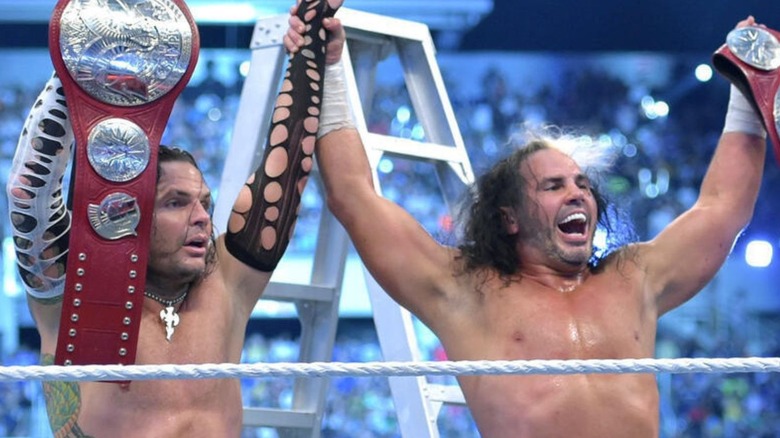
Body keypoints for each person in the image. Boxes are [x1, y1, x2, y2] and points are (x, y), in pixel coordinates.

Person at [287, 15, 769, 438]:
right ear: (509, 217)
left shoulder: (633, 279)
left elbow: (721, 210)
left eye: (582, 184)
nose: (578, 193)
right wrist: (326, 69)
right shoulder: (466, 291)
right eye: (554, 186)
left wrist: (748, 91)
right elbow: (354, 197)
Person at [5, 3, 345, 437]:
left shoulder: (225, 285)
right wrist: (76, 71)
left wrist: (311, 55)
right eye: (176, 203)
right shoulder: (81, 293)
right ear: (131, 216)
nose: (203, 217)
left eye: (204, 201)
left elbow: (286, 170)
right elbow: (28, 196)